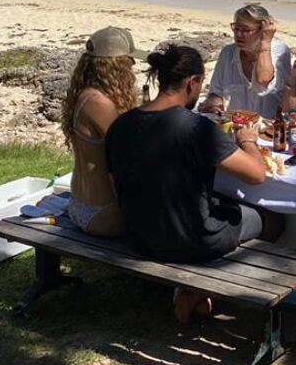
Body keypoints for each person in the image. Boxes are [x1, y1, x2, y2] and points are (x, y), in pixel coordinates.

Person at [106, 44, 284, 323]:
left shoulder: (121, 124)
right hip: (194, 240)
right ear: (193, 82)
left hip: (139, 235)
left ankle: (194, 289)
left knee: (221, 203)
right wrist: (247, 139)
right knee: (273, 219)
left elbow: (116, 186)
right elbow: (257, 175)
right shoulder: (195, 128)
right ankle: (198, 287)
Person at [61, 26, 144, 237]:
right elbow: (133, 151)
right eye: (130, 61)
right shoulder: (100, 104)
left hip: (82, 202)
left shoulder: (85, 94)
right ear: (117, 65)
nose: (133, 68)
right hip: (102, 214)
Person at [198, 4, 292, 119]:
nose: (238, 34)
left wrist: (265, 42)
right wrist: (214, 103)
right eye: (236, 28)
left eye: (245, 30)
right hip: (235, 125)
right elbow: (216, 91)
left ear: (263, 31)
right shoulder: (228, 53)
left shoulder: (280, 51)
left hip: (268, 128)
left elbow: (262, 81)